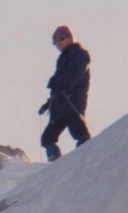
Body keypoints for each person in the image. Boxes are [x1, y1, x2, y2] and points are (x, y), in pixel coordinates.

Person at [38, 25, 91, 162]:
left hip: (72, 102)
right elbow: (59, 85)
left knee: (79, 132)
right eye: (54, 41)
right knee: (47, 139)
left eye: (60, 39)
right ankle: (57, 164)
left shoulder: (79, 54)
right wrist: (48, 104)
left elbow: (74, 76)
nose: (58, 44)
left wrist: (60, 85)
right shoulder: (62, 59)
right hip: (60, 104)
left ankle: (88, 156)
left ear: (69, 38)